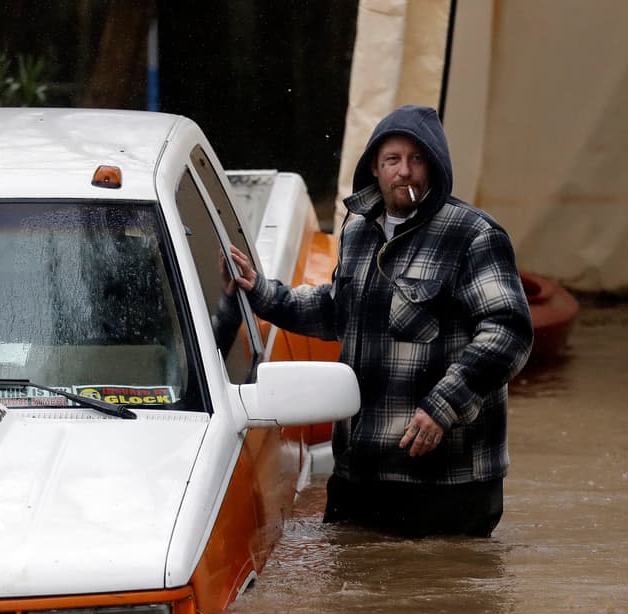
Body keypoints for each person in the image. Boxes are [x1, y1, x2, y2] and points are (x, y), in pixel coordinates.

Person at [224, 104, 533, 537]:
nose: (404, 172)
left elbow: (509, 333)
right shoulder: (358, 231)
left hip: (446, 479)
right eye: (393, 160)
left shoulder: (474, 235)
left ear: (437, 166)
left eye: (417, 159)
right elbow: (336, 312)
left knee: (444, 596)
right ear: (375, 166)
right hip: (360, 472)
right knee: (352, 595)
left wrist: (442, 407)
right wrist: (261, 293)